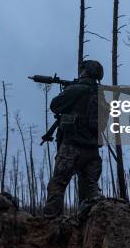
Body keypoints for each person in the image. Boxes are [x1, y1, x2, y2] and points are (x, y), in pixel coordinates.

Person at [42, 60, 108, 218]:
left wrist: (67, 91)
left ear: (86, 71)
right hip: (92, 150)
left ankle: (49, 224)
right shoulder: (101, 95)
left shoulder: (76, 89)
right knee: (91, 187)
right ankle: (95, 221)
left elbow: (55, 105)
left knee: (58, 183)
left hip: (72, 147)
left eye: (83, 69)